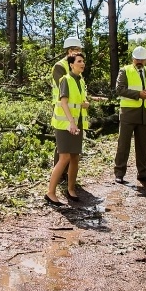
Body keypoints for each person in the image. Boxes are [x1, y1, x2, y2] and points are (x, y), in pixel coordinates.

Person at [46, 53, 91, 206]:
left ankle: (71, 190)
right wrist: (71, 122)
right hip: (65, 125)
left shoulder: (81, 80)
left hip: (77, 125)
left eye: (83, 61)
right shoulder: (66, 79)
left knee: (75, 158)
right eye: (79, 61)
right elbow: (64, 103)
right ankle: (50, 193)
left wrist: (85, 103)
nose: (82, 63)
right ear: (72, 64)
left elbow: (78, 101)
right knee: (64, 158)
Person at [114, 46, 146, 184]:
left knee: (142, 145)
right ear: (133, 59)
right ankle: (119, 172)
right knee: (124, 144)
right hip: (128, 112)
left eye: (142, 59)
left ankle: (142, 172)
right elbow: (119, 89)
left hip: (144, 113)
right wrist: (138, 94)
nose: (139, 61)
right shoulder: (125, 70)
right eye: (137, 59)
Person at [51, 37, 84, 168]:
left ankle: (68, 173)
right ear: (70, 50)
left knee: (71, 144)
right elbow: (64, 89)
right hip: (62, 108)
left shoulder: (76, 64)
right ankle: (60, 172)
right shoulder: (60, 66)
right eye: (77, 50)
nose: (79, 52)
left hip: (75, 109)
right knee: (62, 144)